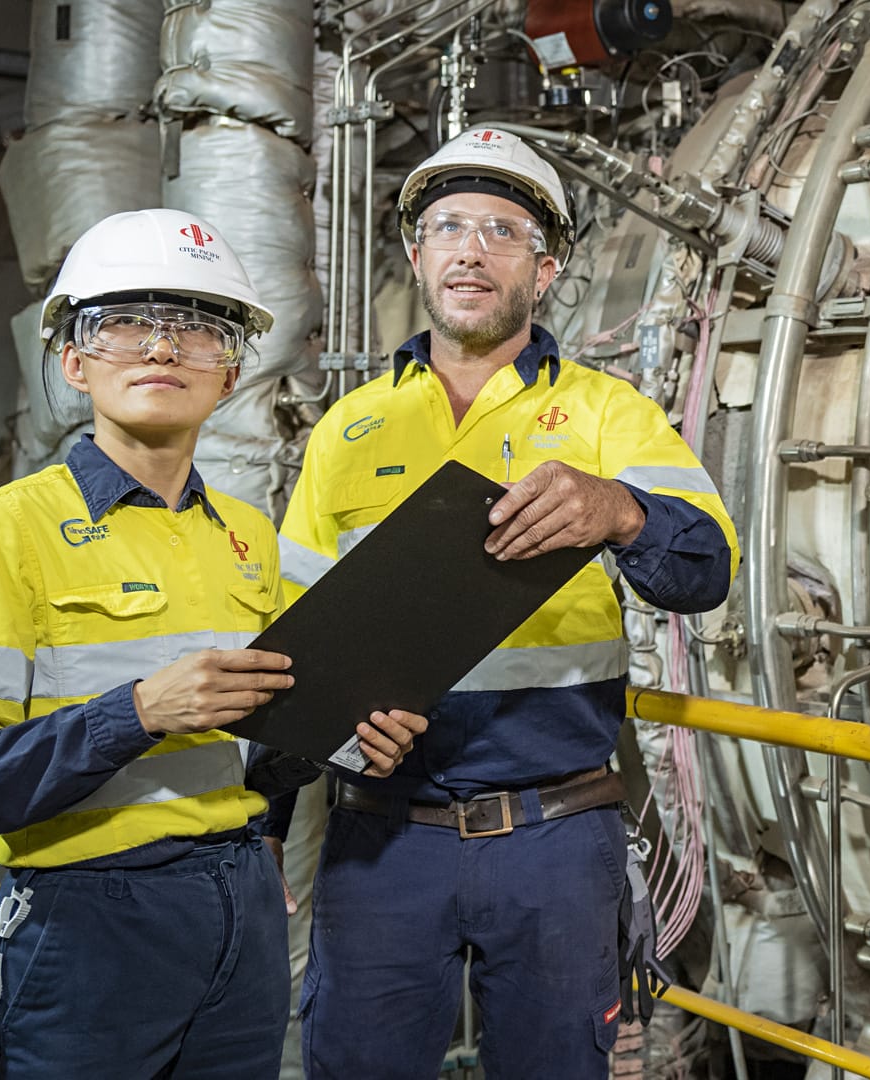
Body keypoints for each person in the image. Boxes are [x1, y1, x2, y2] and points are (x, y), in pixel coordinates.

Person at [0, 208, 428, 1078]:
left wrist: (339, 739)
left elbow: (253, 752)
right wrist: (139, 712)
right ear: (74, 363)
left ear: (230, 375)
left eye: (199, 329)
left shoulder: (248, 537)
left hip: (243, 907)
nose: (163, 348)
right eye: (124, 324)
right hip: (89, 922)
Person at [278, 127, 737, 1079]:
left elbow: (704, 570)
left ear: (546, 268)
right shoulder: (348, 430)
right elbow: (292, 650)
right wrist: (281, 808)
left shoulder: (608, 414)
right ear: (417, 256)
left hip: (555, 838)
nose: (471, 250)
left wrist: (621, 510)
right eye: (448, 227)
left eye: (502, 231)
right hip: (381, 839)